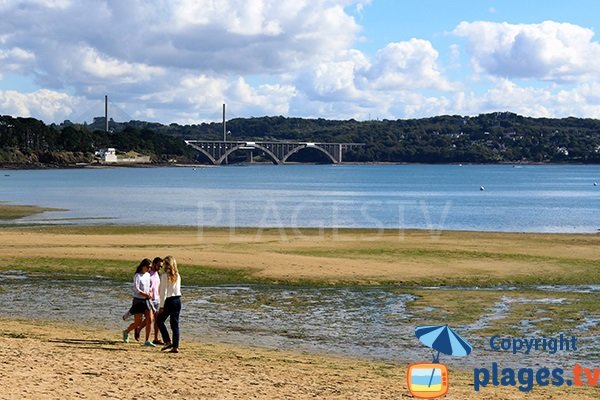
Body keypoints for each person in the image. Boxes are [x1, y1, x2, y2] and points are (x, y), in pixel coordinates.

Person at [122, 258, 156, 347]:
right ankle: (126, 331)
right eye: (148, 267)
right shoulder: (137, 276)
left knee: (150, 319)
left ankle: (147, 340)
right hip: (138, 300)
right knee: (138, 322)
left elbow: (149, 287)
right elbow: (136, 289)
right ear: (143, 266)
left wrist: (150, 292)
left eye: (150, 267)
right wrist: (145, 294)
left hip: (147, 300)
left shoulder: (148, 275)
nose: (149, 269)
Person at [157, 255, 181, 353]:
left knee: (159, 321)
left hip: (169, 300)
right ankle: (175, 346)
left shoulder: (164, 276)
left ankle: (167, 341)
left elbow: (163, 292)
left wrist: (161, 306)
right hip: (177, 300)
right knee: (175, 324)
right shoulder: (177, 275)